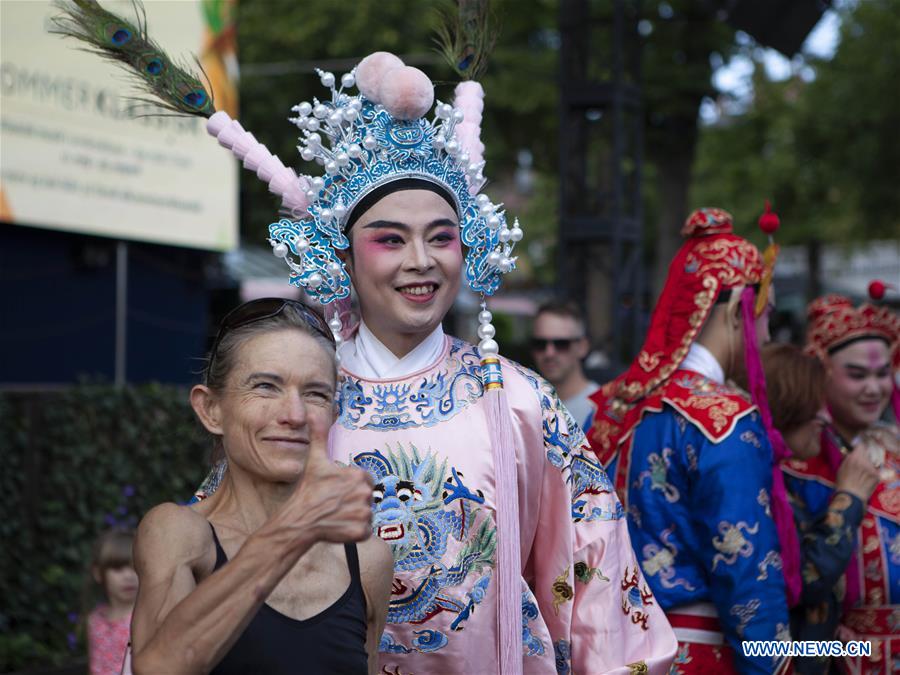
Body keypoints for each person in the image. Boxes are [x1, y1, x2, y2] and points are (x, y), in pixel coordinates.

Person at [53, 5, 676, 668]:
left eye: (441, 237)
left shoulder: (518, 400)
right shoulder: (299, 402)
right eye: (391, 240)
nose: (421, 261)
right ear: (344, 258)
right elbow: (213, 563)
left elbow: (594, 571)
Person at [130, 300, 393, 674]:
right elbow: (158, 667)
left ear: (333, 416)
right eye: (266, 387)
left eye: (316, 394)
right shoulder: (179, 533)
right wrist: (290, 532)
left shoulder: (368, 560)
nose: (295, 415)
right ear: (211, 410)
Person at [587, 207, 794, 674]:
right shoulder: (724, 420)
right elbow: (748, 576)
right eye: (766, 315)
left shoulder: (609, 409)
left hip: (605, 653)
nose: (766, 334)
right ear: (738, 312)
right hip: (695, 654)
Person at [781, 293, 900, 673]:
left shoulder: (894, 448)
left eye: (882, 374)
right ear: (823, 373)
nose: (874, 389)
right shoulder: (797, 465)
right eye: (858, 375)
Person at [530, 301, 600, 432]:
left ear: (583, 347)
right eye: (540, 344)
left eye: (561, 344)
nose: (549, 353)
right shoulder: (524, 405)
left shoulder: (600, 409)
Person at [85, 528, 138, 675]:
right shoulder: (95, 620)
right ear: (98, 573)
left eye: (135, 567)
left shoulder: (145, 619)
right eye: (118, 569)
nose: (128, 576)